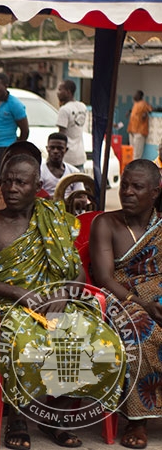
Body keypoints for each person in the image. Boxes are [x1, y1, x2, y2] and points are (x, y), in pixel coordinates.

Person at [0, 154, 125, 450]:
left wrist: (64, 293)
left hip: (56, 302)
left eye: (20, 182)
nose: (11, 188)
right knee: (24, 342)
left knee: (105, 344)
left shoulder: (53, 219)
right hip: (8, 306)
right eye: (6, 181)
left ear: (37, 186)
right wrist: (18, 293)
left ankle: (55, 414)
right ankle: (17, 418)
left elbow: (78, 274)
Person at [89, 159, 162, 449]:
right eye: (125, 185)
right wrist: (143, 303)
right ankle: (137, 420)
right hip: (119, 296)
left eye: (137, 187)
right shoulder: (105, 223)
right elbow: (105, 278)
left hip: (156, 292)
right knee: (141, 330)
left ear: (155, 192)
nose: (128, 192)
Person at [55, 80, 87, 171]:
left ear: (68, 92)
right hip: (80, 156)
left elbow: (61, 136)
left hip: (67, 158)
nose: (58, 93)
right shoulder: (82, 106)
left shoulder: (64, 110)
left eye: (60, 90)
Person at [40, 132, 85, 198]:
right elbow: (39, 198)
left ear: (66, 150)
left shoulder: (74, 172)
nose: (55, 151)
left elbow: (82, 198)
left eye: (60, 148)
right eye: (52, 148)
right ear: (47, 149)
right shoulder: (39, 171)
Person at [127, 90, 153, 160]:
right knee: (132, 153)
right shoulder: (136, 103)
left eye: (136, 94)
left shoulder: (143, 103)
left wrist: (145, 113)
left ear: (140, 96)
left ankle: (135, 167)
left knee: (136, 154)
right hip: (132, 130)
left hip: (139, 131)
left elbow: (150, 109)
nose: (134, 96)